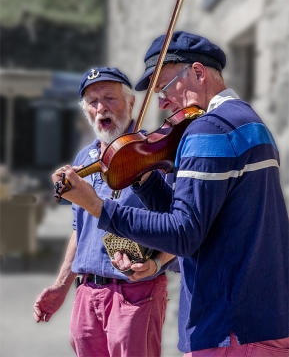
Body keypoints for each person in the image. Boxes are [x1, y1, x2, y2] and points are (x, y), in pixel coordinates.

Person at [51, 32, 289, 357]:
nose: (161, 102)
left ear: (198, 73)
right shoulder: (249, 122)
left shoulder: (208, 130)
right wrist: (145, 178)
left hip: (227, 327)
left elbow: (183, 234)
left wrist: (96, 205)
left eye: (163, 87)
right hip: (263, 320)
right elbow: (201, 219)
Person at [33, 66, 177, 357]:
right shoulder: (84, 159)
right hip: (87, 294)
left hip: (135, 293)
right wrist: (61, 285)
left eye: (109, 98)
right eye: (92, 101)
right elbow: (80, 230)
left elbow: (182, 225)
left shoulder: (157, 154)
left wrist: (157, 264)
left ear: (131, 102)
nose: (101, 108)